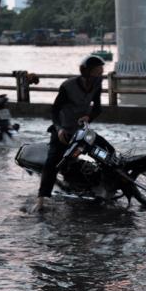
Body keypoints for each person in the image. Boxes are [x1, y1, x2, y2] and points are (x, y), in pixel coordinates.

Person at [33, 55, 107, 212]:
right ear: (87, 72)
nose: (101, 74)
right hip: (64, 129)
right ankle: (41, 199)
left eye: (101, 71)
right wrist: (59, 129)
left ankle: (105, 185)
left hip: (82, 130)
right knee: (53, 161)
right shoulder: (68, 86)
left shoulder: (98, 83)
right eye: (97, 71)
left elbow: (98, 107)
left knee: (105, 151)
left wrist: (90, 116)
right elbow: (54, 110)